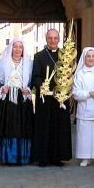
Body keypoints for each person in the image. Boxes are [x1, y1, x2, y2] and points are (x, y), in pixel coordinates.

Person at [31, 29, 72, 167]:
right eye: (50, 38)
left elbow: (70, 74)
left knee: (59, 128)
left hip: (61, 98)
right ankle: (43, 158)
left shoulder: (65, 56)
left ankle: (57, 157)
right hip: (45, 99)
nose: (53, 41)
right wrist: (40, 86)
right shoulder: (39, 56)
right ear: (46, 39)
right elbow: (35, 76)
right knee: (44, 127)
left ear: (59, 39)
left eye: (55, 38)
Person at [0, 38, 34, 165]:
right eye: (15, 47)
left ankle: (23, 156)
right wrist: (2, 89)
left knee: (23, 126)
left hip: (22, 98)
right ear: (11, 48)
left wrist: (28, 90)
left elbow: (32, 81)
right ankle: (8, 156)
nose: (18, 49)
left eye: (20, 47)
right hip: (8, 99)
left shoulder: (28, 63)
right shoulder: (2, 62)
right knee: (8, 126)